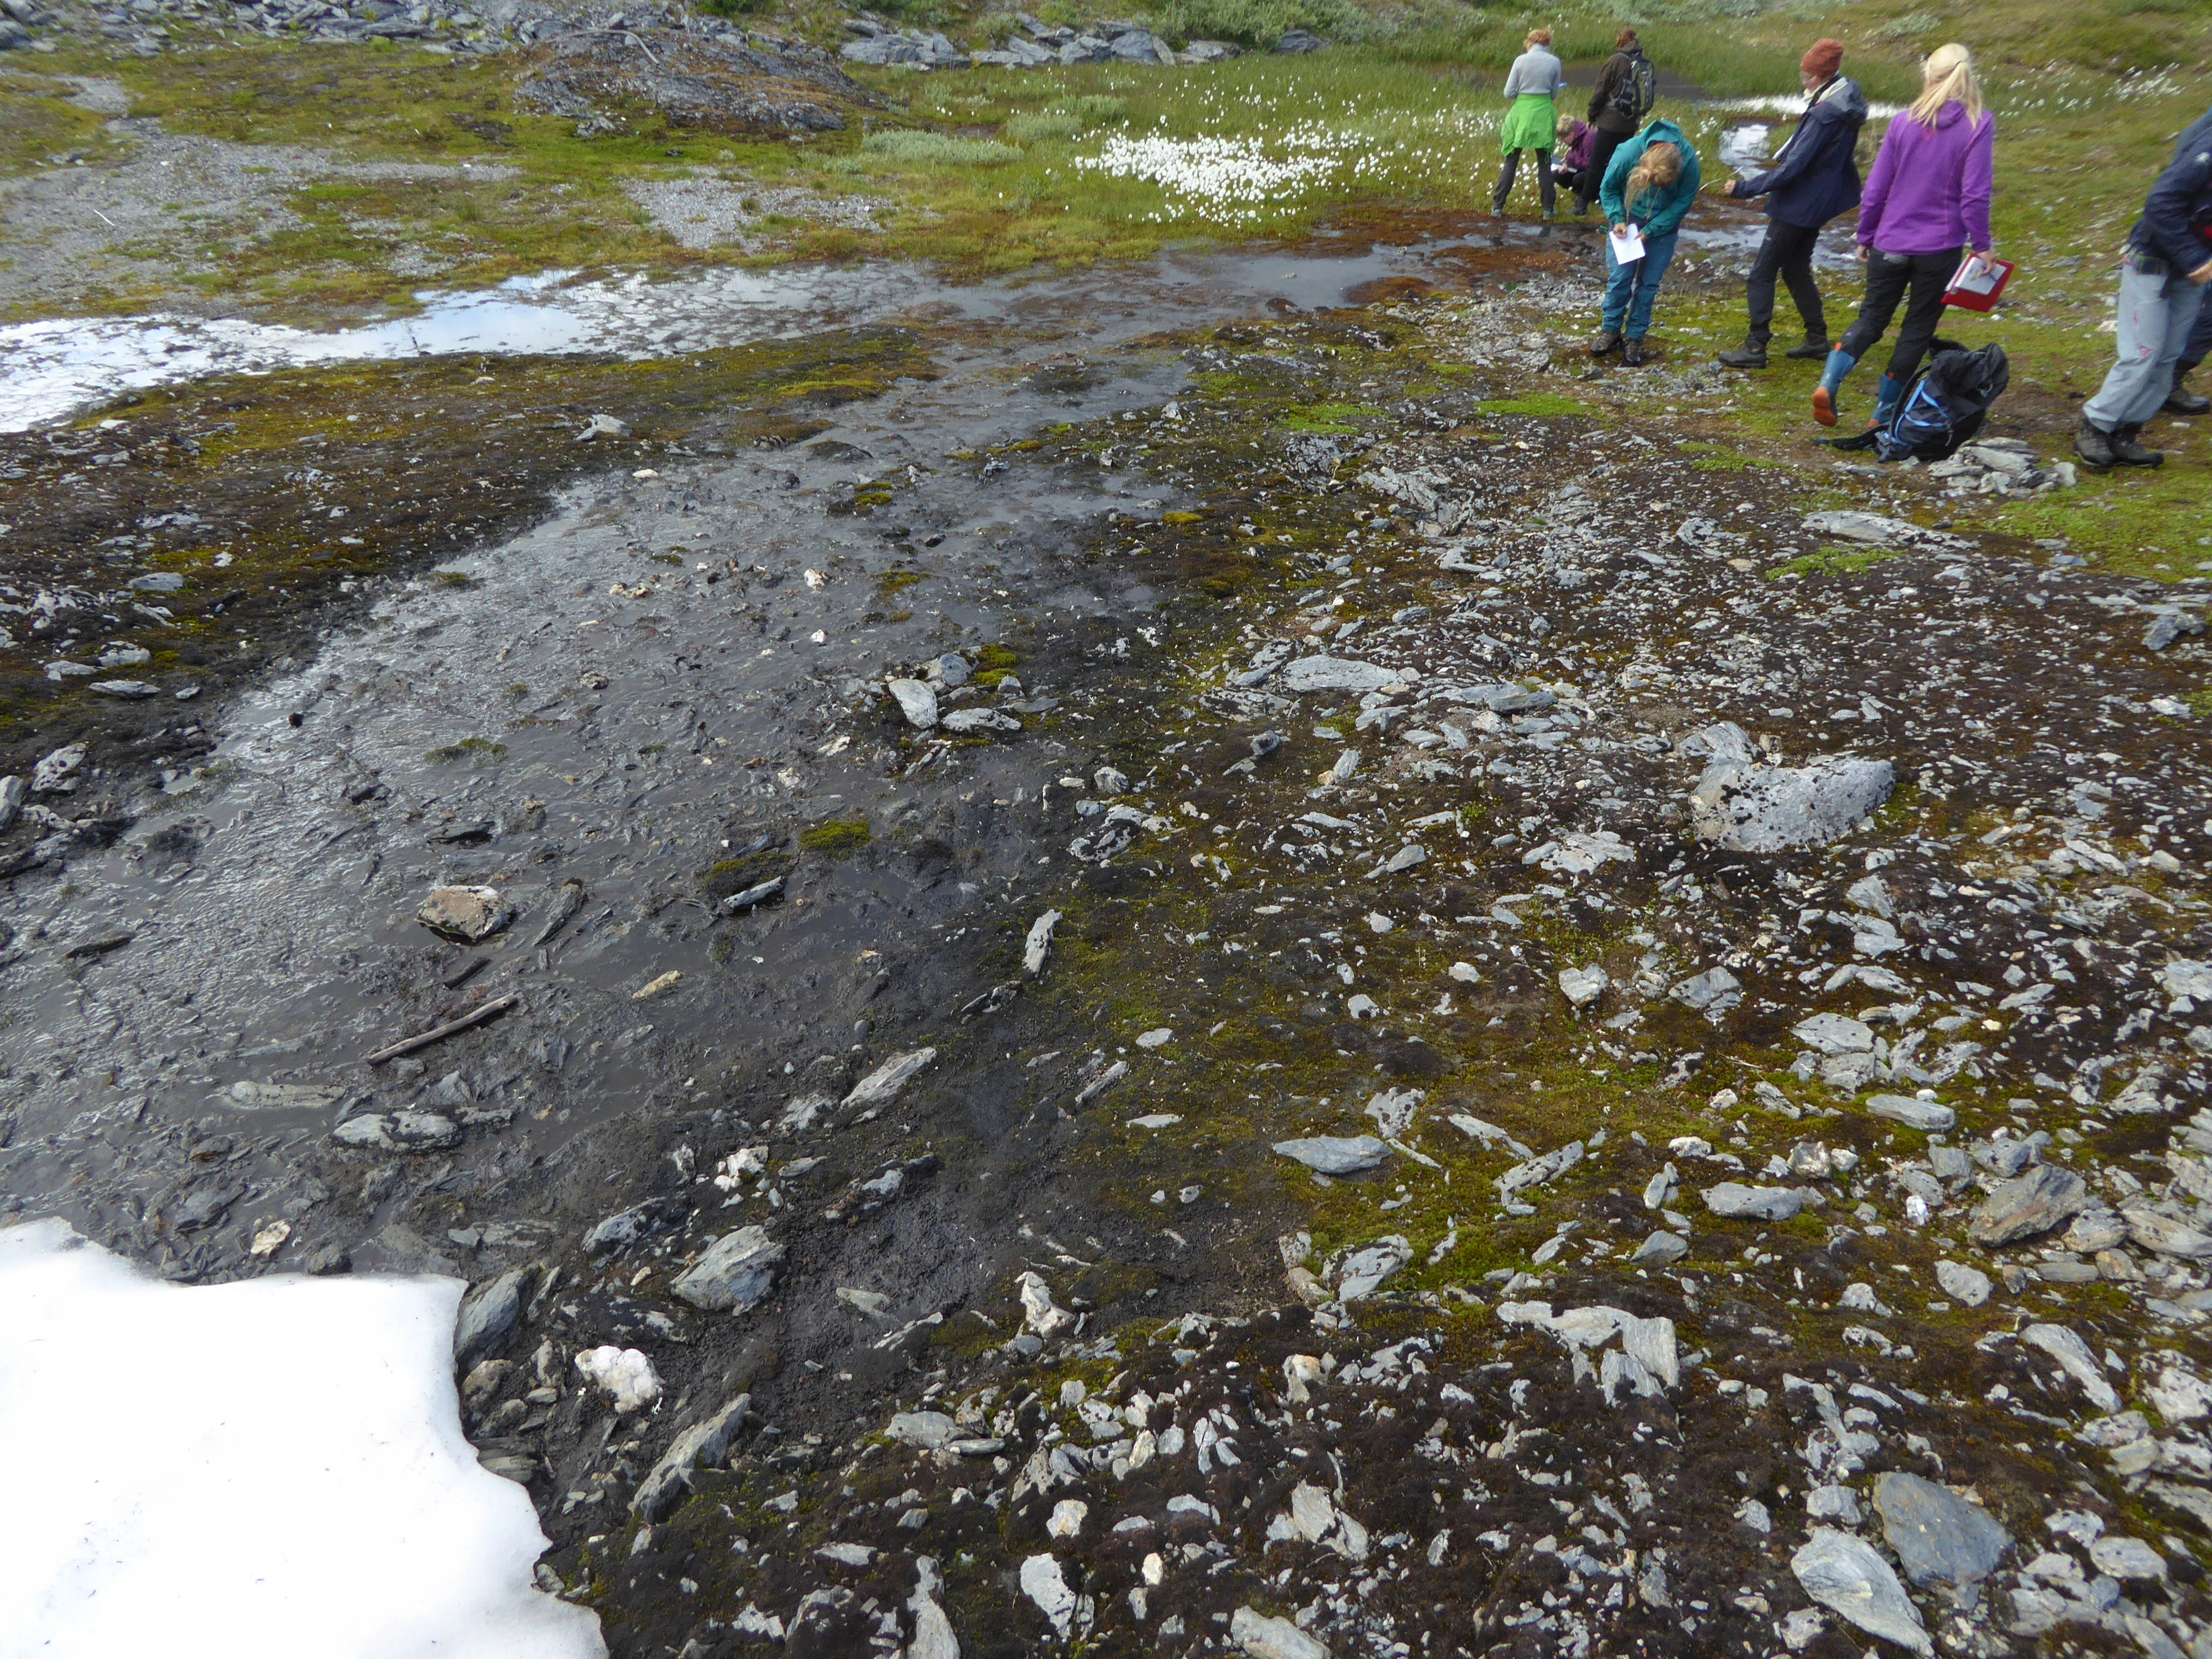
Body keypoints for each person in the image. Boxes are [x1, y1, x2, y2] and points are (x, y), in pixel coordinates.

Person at [1812, 43, 1994, 429]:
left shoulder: (1902, 121)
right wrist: (1982, 246)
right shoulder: (1979, 124)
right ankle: (1881, 415)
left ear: (1928, 76)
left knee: (1872, 318)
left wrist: (1866, 234)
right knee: (1916, 329)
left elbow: (1876, 186)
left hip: (1890, 243)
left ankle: (1829, 382)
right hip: (1939, 250)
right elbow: (1975, 194)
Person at [1716, 38, 1867, 370]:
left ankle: (1755, 346)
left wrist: (1743, 188)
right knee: (1796, 269)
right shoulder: (1846, 102)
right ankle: (1817, 340)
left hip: (1800, 204)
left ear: (1821, 77)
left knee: (1761, 274)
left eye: (1806, 76)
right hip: (1819, 202)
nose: (1803, 82)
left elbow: (1792, 169)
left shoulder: (1825, 114)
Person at [2074, 116, 2212, 468]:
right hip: (2155, 260)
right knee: (2142, 353)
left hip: (2194, 268)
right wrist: (2195, 260)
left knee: (2168, 356)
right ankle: (2095, 424)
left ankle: (2127, 432)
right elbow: (2161, 202)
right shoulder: (2207, 150)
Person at [1590, 118, 1703, 367]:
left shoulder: (1690, 164)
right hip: (1628, 223)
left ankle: (1634, 336)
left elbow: (1682, 203)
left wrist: (1653, 229)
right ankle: (1610, 330)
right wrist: (1618, 218)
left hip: (1663, 229)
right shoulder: (1629, 152)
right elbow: (1608, 189)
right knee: (1620, 278)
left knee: (1648, 284)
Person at [1579, 27, 1656, 216]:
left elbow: (1600, 92)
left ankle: (1583, 203)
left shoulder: (1616, 61)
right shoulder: (1642, 62)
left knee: (1597, 163)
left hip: (1610, 123)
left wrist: (1592, 115)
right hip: (1631, 122)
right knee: (1622, 162)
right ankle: (1621, 199)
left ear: (1620, 41)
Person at [1494, 27, 1566, 221]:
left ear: (1530, 42)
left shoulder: (1520, 61)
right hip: (1543, 113)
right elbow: (1554, 94)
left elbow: (1508, 93)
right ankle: (1548, 210)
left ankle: (1498, 206)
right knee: (1544, 163)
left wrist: (1524, 93)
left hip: (1522, 114)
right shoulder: (1555, 62)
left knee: (1512, 160)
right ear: (1547, 43)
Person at [1551, 113, 1595, 200]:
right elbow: (1578, 156)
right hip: (1585, 169)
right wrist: (1568, 164)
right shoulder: (1577, 138)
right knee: (1558, 175)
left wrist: (1571, 157)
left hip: (1599, 172)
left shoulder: (1589, 138)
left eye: (1564, 140)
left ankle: (1592, 196)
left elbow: (1588, 164)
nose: (1565, 143)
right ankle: (1582, 194)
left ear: (1571, 134)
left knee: (1578, 179)